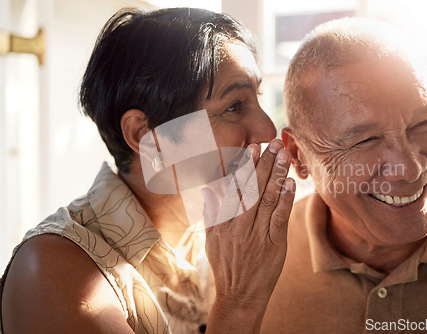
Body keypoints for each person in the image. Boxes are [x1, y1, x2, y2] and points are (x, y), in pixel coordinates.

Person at [0, 7, 296, 334]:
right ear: (145, 135)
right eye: (234, 106)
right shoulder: (52, 269)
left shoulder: (232, 237)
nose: (269, 131)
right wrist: (239, 299)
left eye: (258, 97)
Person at [261, 17, 427, 333]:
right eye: (364, 140)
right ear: (298, 155)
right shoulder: (255, 262)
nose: (410, 168)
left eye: (425, 122)